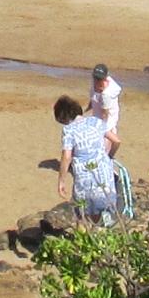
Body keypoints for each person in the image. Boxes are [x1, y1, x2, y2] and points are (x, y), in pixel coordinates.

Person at [53, 95, 124, 225]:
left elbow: (66, 157)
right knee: (101, 209)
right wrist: (109, 157)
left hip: (84, 177)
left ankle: (87, 237)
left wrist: (61, 181)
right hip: (104, 174)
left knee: (82, 214)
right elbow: (116, 141)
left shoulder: (69, 130)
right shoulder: (96, 122)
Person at [88, 63, 122, 141]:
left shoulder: (106, 95)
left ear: (105, 78)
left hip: (107, 126)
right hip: (96, 120)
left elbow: (105, 115)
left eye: (100, 79)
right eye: (96, 78)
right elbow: (93, 98)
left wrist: (101, 130)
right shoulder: (94, 85)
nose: (97, 81)